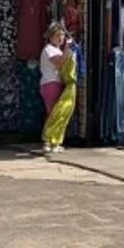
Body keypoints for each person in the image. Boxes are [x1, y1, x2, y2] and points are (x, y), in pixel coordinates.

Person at [41, 23, 78, 154]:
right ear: (51, 37)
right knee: (55, 115)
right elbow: (59, 63)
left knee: (55, 114)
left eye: (62, 36)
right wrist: (68, 50)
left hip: (52, 84)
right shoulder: (49, 50)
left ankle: (51, 141)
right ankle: (51, 142)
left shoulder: (55, 50)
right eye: (57, 36)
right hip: (51, 84)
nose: (60, 38)